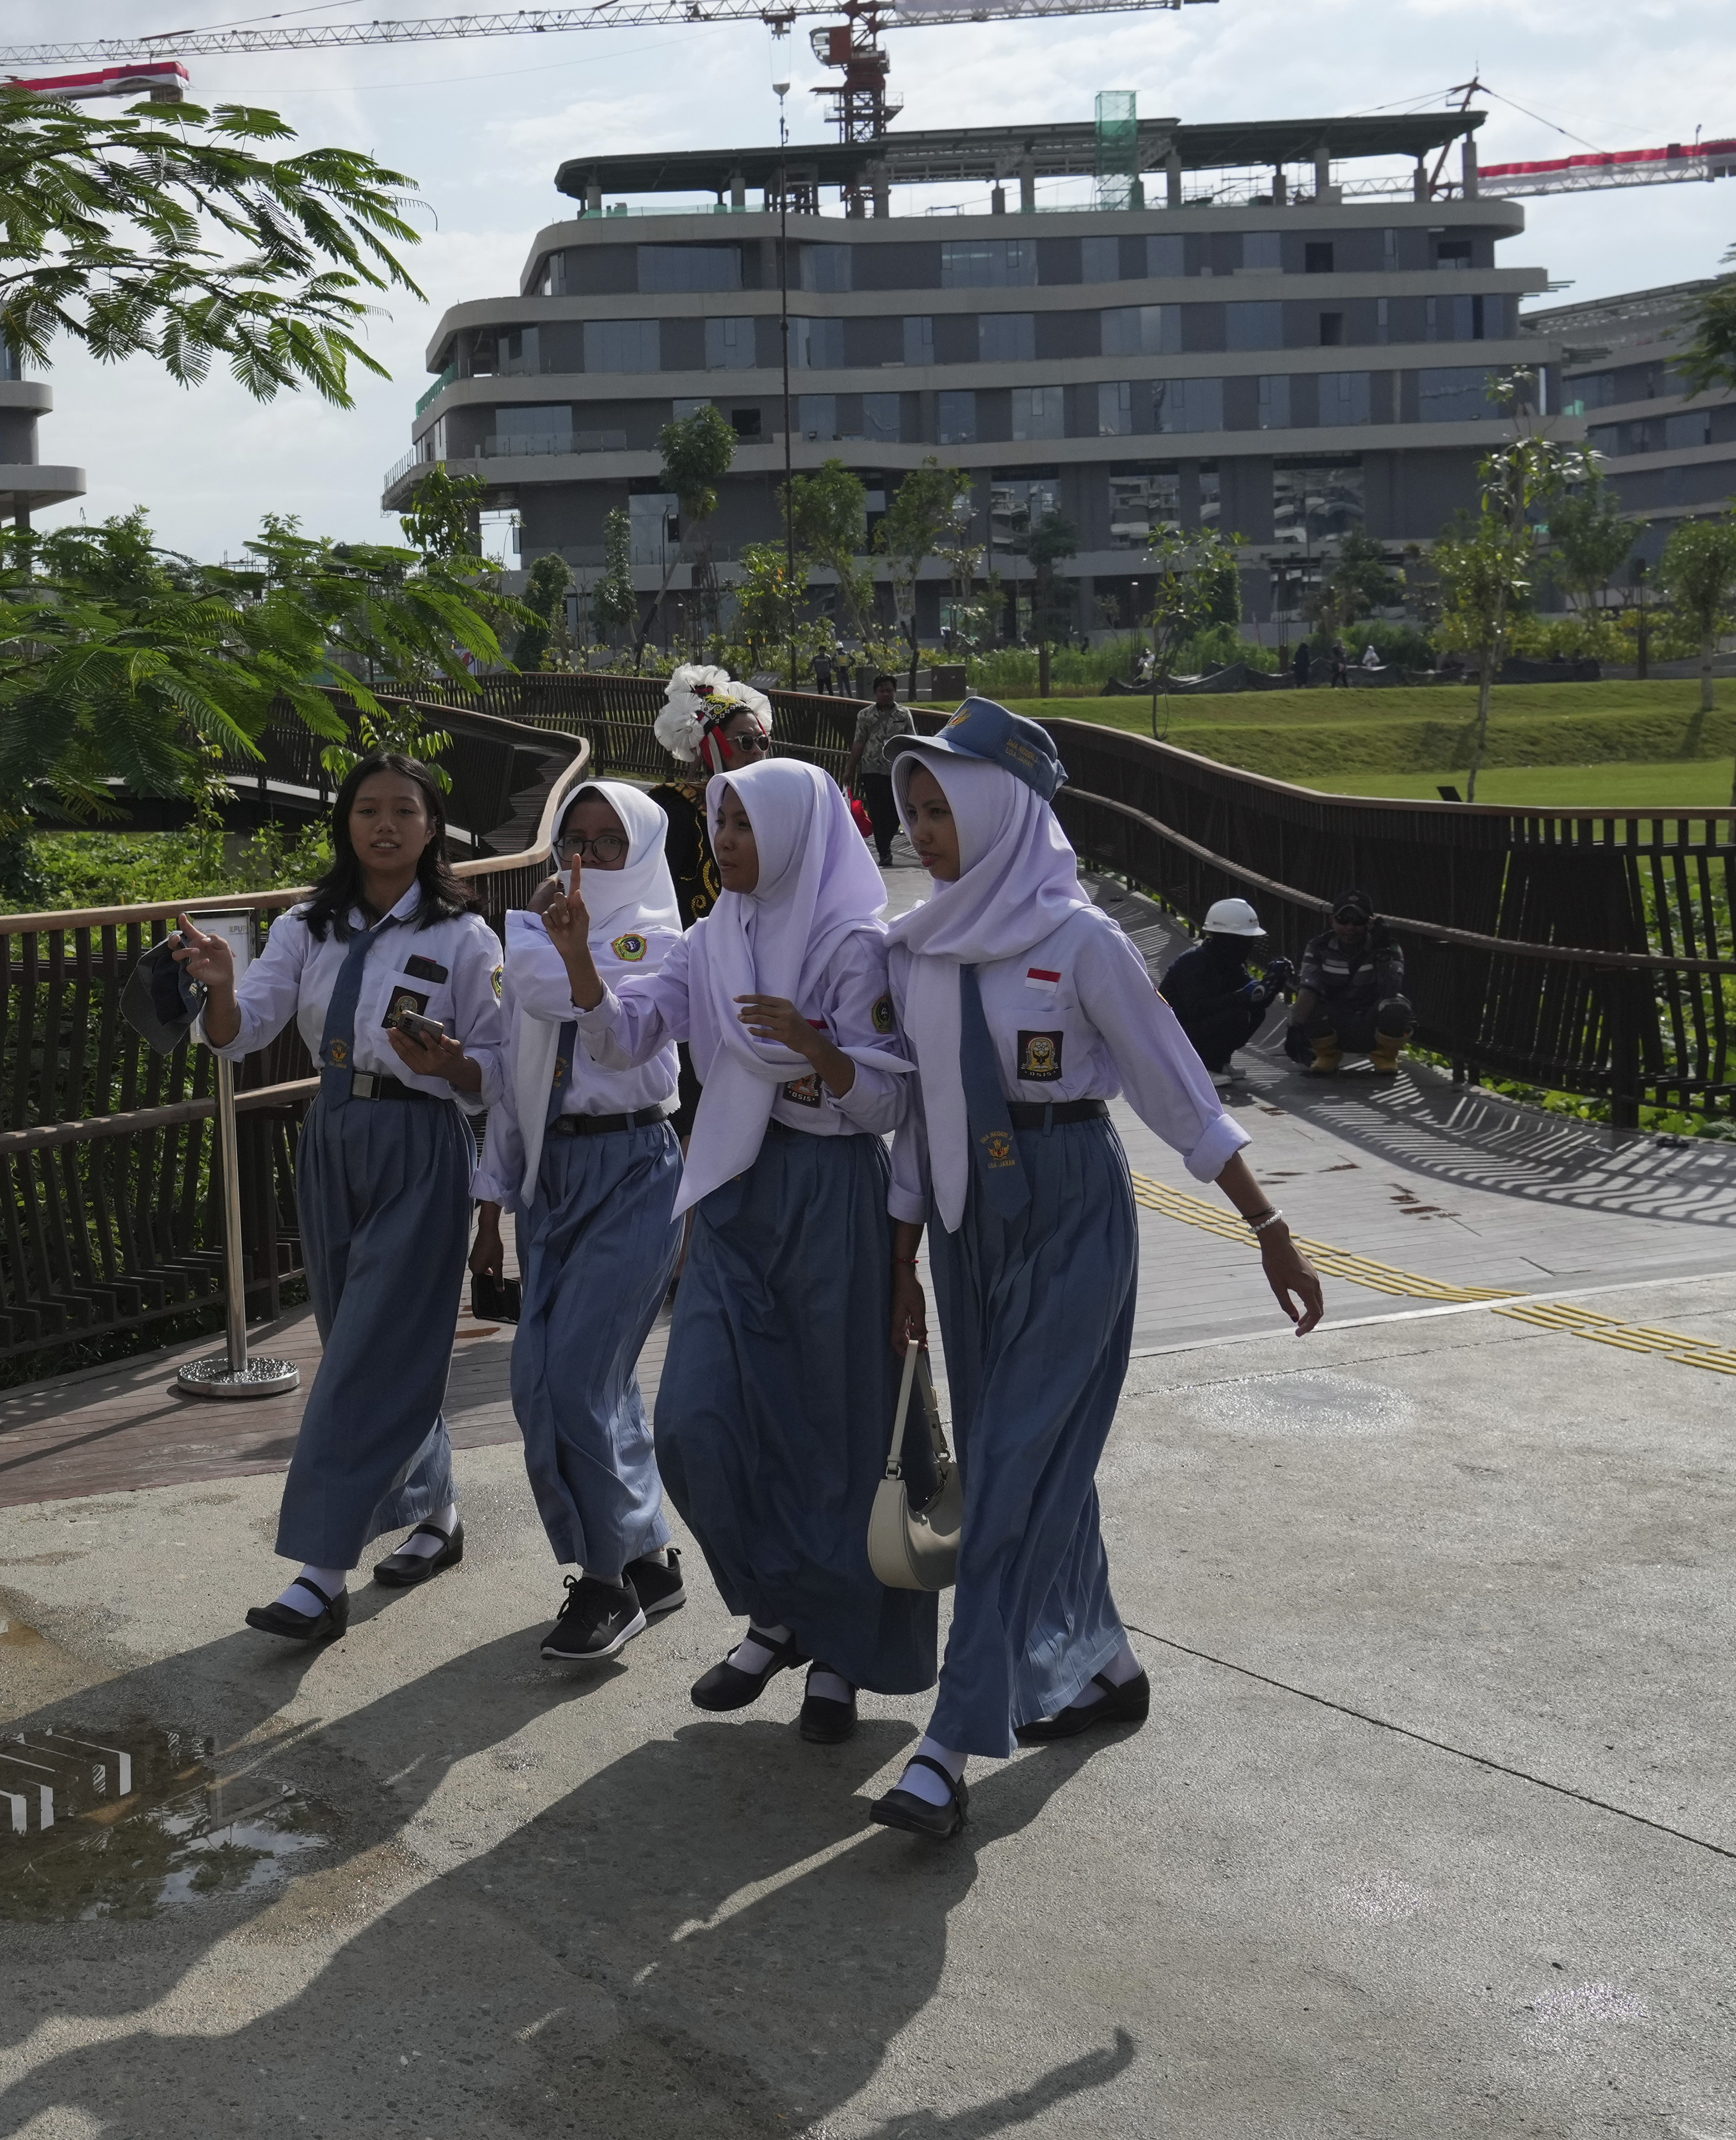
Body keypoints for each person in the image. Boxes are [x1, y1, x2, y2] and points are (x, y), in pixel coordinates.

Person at [870, 701, 1323, 1841]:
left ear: (1003, 813)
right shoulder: (917, 948)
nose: (923, 831)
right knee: (1024, 1461)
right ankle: (1102, 1661)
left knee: (1015, 1472)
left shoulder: (1082, 944)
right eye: (913, 810)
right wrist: (903, 1256)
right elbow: (924, 1116)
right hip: (973, 1225)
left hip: (1070, 1207)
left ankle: (950, 1742)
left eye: (943, 810)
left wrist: (1269, 1227)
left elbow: (1180, 1090)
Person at [544, 756, 926, 1741]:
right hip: (729, 1193)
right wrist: (582, 958)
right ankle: (776, 1609)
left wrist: (819, 1049)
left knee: (834, 1437)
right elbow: (627, 1042)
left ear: (797, 833)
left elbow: (890, 1100)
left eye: (745, 827)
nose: (726, 843)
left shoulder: (853, 944)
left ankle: (836, 1652)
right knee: (696, 1427)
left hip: (830, 1196)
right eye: (719, 825)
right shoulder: (711, 943)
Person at [170, 754, 503, 1646]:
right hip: (332, 1142)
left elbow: (497, 1070)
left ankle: (320, 1576)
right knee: (360, 1343)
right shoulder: (306, 927)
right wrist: (222, 988)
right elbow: (245, 1037)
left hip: (419, 1146)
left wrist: (453, 1065)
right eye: (367, 811)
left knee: (361, 1361)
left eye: (404, 811)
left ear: (433, 827)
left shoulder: (465, 939)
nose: (384, 826)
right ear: (345, 824)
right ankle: (435, 1513)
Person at [476, 781, 692, 1662]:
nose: (591, 857)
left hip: (634, 1166)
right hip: (552, 1177)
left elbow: (619, 1037)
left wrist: (575, 956)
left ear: (641, 852)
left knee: (579, 1377)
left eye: (612, 843)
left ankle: (603, 1582)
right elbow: (513, 1074)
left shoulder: (666, 939)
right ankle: (648, 1557)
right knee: (542, 1380)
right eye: (577, 838)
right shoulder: (525, 935)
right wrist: (491, 1207)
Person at [648, 665, 777, 922]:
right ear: (712, 747)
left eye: (761, 741)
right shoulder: (677, 807)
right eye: (745, 742)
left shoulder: (777, 804)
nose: (756, 751)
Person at [1158, 897, 1290, 1077]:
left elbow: (1253, 1001)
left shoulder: (1231, 964)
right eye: (1244, 940)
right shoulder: (1193, 963)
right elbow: (1197, 1009)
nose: (1249, 946)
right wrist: (1241, 998)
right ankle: (1202, 1068)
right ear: (1226, 939)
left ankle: (1218, 1062)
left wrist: (1272, 985)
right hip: (1172, 1037)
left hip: (1191, 1029)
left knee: (1256, 1013)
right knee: (1236, 1015)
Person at [1283, 891, 1412, 1076]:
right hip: (1335, 1022)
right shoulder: (1318, 946)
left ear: (1370, 923)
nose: (1350, 928)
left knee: (1397, 1006)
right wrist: (1295, 1028)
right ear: (1332, 921)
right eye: (1343, 920)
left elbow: (1390, 989)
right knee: (1309, 1004)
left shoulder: (1388, 947)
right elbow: (1309, 989)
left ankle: (1385, 1057)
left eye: (1358, 921)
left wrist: (1383, 953)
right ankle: (1327, 1056)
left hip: (1370, 1023)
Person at [848, 678, 909, 870]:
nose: (886, 694)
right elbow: (859, 742)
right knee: (877, 811)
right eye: (882, 691)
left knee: (896, 810)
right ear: (876, 693)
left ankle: (886, 842)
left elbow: (912, 739)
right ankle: (884, 852)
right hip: (872, 769)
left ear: (895, 692)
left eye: (889, 691)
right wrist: (849, 768)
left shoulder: (904, 714)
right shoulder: (865, 716)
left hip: (896, 769)